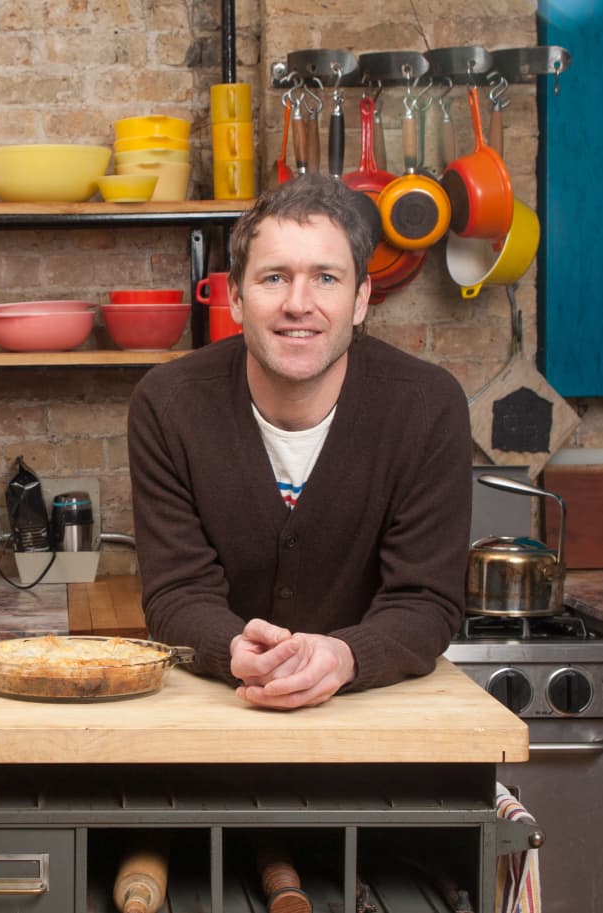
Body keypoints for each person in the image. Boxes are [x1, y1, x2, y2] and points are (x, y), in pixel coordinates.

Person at [128, 172, 472, 710]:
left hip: (378, 716)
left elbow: (426, 599)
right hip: (220, 713)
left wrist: (343, 656)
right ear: (236, 298)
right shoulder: (168, 404)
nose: (298, 303)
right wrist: (234, 648)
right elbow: (177, 591)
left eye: (326, 279)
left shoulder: (427, 407)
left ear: (361, 300)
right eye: (274, 278)